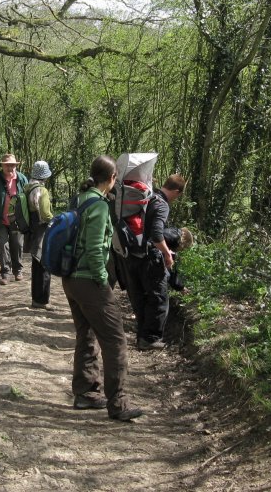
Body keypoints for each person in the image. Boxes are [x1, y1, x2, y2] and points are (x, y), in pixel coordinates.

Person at [61, 155, 143, 422]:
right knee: (115, 339)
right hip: (89, 281)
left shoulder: (80, 199)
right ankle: (118, 403)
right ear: (112, 178)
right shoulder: (99, 207)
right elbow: (96, 250)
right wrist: (101, 281)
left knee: (86, 335)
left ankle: (86, 393)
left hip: (70, 279)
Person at [124, 174, 187, 351]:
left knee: (141, 297)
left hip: (133, 253)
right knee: (159, 298)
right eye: (178, 195)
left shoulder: (148, 197)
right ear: (176, 190)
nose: (176, 199)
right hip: (150, 256)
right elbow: (157, 234)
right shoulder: (162, 204)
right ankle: (150, 339)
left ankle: (142, 337)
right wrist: (167, 254)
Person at [0, 153, 28, 284]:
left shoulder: (22, 179)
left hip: (17, 220)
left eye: (12, 165)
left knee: (17, 245)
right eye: (7, 165)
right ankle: (5, 273)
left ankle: (18, 270)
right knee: (3, 245)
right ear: (2, 166)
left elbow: (26, 197)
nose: (10, 168)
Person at [24, 161, 54, 309]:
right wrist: (56, 220)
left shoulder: (27, 187)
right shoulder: (42, 191)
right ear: (44, 176)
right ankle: (41, 300)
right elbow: (45, 214)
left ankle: (36, 298)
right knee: (44, 263)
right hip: (42, 230)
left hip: (32, 229)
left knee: (36, 265)